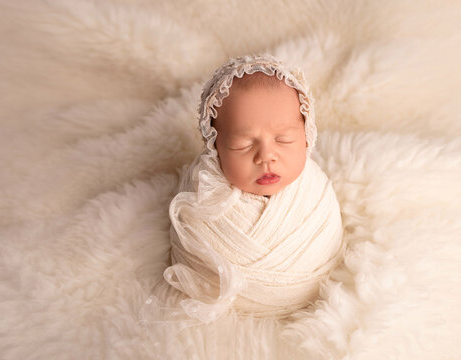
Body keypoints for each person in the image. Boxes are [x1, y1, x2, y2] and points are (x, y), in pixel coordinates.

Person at [139, 54, 345, 334]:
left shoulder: (316, 196)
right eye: (242, 145)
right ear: (215, 146)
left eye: (284, 140)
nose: (266, 156)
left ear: (307, 136)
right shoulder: (200, 204)